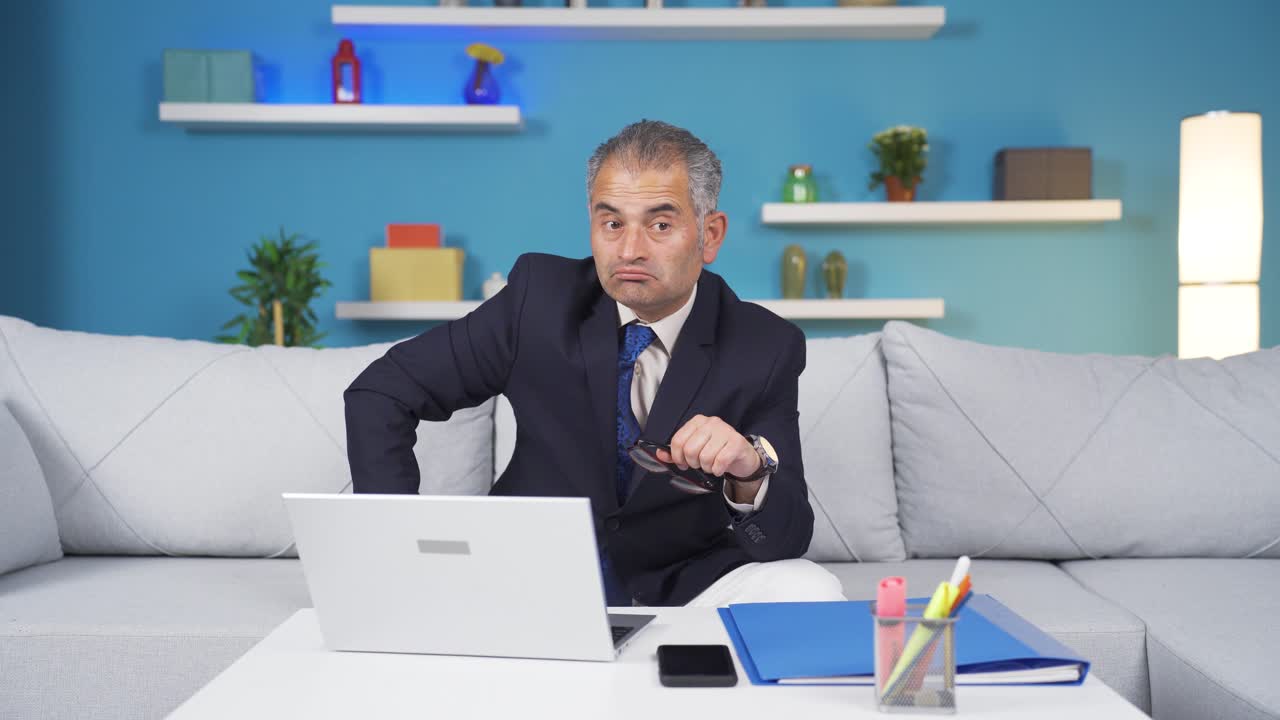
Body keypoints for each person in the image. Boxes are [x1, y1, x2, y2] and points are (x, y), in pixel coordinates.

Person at [344, 120, 844, 607]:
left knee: (809, 588)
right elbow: (381, 392)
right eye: (612, 223)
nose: (630, 250)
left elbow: (786, 538)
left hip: (686, 586)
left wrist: (747, 469)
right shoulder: (536, 300)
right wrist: (397, 541)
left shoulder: (765, 345)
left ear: (709, 235)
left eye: (661, 224)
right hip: (530, 574)